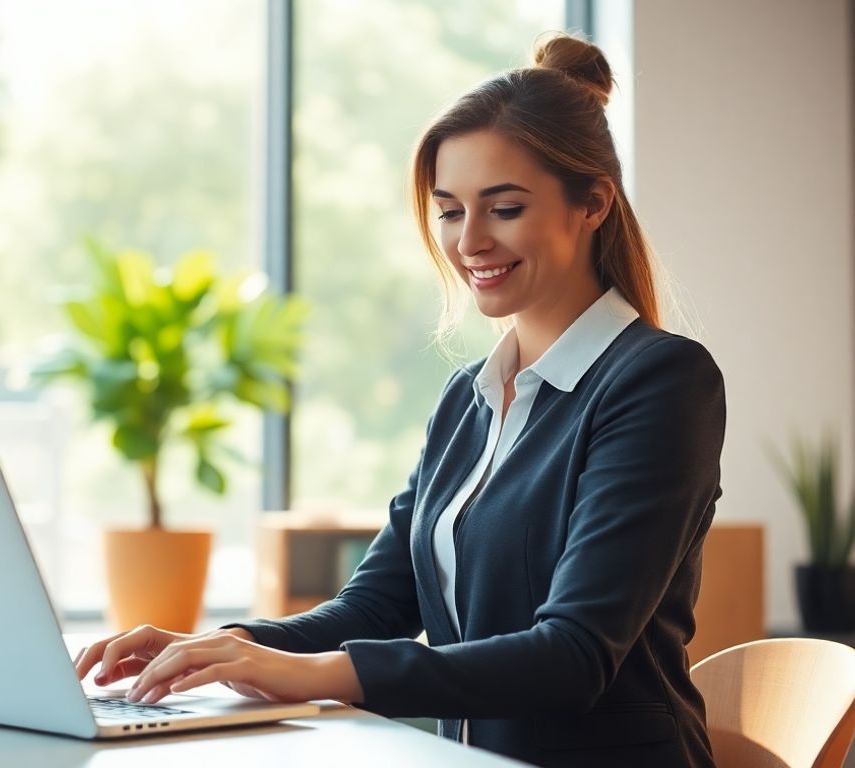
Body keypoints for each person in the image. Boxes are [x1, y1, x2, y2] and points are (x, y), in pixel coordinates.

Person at [73, 32, 723, 768]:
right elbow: (377, 607)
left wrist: (314, 675)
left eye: (503, 208)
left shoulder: (661, 383)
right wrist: (223, 647)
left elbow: (572, 655)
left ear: (593, 204)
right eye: (449, 211)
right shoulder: (469, 400)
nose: (469, 241)